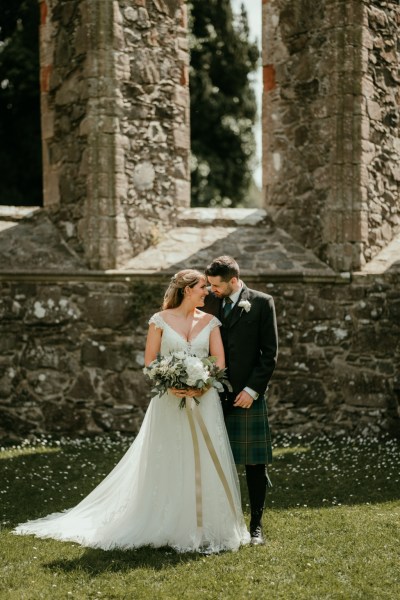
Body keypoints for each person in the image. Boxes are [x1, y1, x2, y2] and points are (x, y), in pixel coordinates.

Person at [13, 269, 249, 553]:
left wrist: (201, 386)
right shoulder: (160, 321)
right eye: (202, 287)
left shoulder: (211, 321)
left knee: (204, 459)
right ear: (188, 290)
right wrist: (172, 384)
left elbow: (219, 362)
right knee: (170, 457)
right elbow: (150, 362)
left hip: (204, 401)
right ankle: (166, 523)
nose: (207, 292)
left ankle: (208, 524)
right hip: (169, 403)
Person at [203, 256, 278, 546]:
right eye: (209, 285)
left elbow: (269, 354)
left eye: (216, 285)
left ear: (233, 280)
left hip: (247, 395)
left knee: (255, 464)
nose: (212, 290)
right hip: (213, 393)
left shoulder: (261, 302)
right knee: (215, 461)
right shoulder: (210, 300)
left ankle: (256, 526)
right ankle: (220, 524)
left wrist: (252, 390)